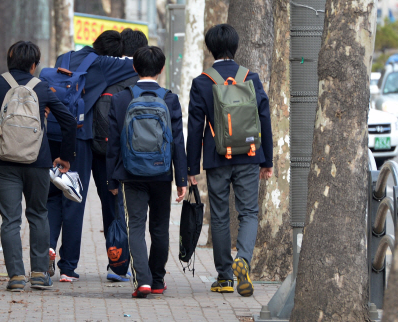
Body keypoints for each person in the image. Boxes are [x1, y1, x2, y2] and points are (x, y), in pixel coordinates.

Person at [185, 24, 273, 297]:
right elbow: (264, 120)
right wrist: (266, 160)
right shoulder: (250, 77)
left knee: (220, 216)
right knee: (248, 213)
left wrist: (191, 168)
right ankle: (242, 261)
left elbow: (195, 127)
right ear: (236, 47)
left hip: (217, 158)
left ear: (211, 48)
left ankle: (224, 277)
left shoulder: (202, 82)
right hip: (248, 156)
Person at [46, 30, 138, 283]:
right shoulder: (104, 63)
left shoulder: (64, 58)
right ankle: (76, 266)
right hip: (83, 137)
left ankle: (50, 250)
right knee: (79, 198)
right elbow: (139, 65)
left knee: (58, 195)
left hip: (56, 135)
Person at [0, 41, 76, 291]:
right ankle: (38, 273)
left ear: (9, 59)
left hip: (3, 161)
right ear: (34, 65)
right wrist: (66, 157)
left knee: (10, 220)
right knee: (38, 214)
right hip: (38, 160)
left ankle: (15, 276)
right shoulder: (42, 87)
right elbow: (68, 121)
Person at [106, 46, 187, 298]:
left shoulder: (120, 99)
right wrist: (181, 178)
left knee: (136, 227)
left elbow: (112, 144)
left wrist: (112, 178)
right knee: (160, 228)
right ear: (162, 69)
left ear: (134, 67)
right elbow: (177, 142)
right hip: (161, 174)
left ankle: (143, 281)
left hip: (131, 174)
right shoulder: (170, 99)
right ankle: (158, 280)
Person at [91, 28, 148, 282]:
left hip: (106, 155)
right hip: (142, 158)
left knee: (111, 207)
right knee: (137, 213)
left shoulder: (106, 79)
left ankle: (117, 263)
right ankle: (144, 268)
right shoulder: (145, 84)